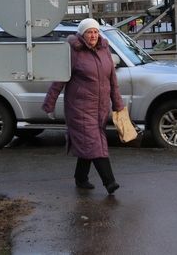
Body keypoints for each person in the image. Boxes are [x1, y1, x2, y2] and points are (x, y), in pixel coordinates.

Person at [43, 18, 124, 195]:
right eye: (89, 32)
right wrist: (49, 104)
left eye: (95, 31)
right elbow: (59, 80)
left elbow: (113, 81)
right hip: (79, 108)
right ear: (81, 34)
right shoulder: (73, 52)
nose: (93, 35)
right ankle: (109, 182)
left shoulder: (104, 50)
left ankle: (81, 178)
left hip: (100, 109)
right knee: (96, 144)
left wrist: (118, 104)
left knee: (88, 144)